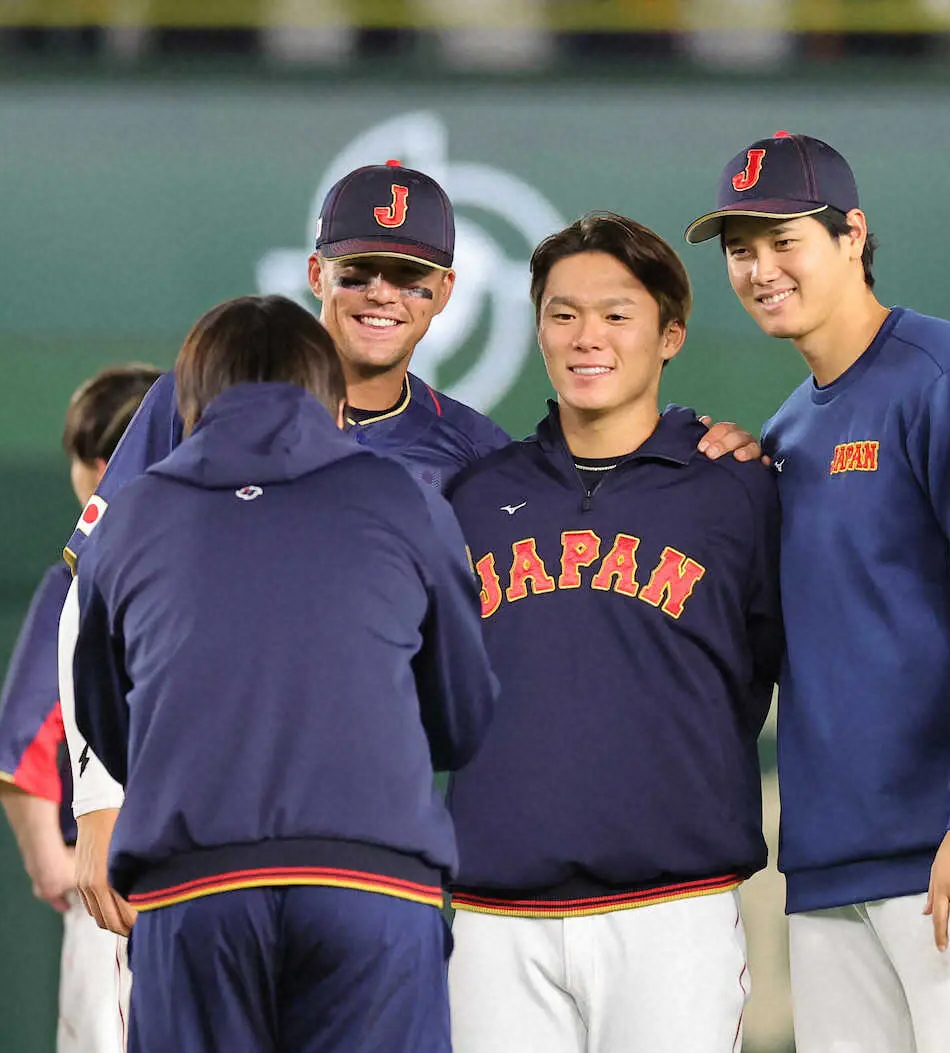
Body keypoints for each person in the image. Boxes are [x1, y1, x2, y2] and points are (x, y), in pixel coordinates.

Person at [60, 161, 764, 938]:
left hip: (359, 836)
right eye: (360, 271)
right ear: (316, 272)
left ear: (446, 293)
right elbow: (89, 595)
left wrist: (713, 447)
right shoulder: (201, 400)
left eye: (411, 276)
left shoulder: (471, 456)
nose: (383, 295)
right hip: (190, 811)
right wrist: (98, 799)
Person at [684, 131, 950, 1053]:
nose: (757, 269)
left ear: (852, 235)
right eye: (741, 250)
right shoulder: (790, 429)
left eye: (784, 239)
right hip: (835, 864)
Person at [72, 294, 497, 1053]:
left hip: (193, 887)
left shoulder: (131, 516)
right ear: (334, 403)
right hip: (373, 885)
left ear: (189, 404)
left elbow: (111, 726)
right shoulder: (405, 497)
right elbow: (462, 716)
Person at [444, 213, 783, 1053]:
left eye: (616, 315)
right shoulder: (475, 498)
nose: (586, 336)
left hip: (671, 910)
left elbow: (767, 668)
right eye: (563, 315)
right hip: (495, 916)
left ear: (670, 335)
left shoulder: (736, 490)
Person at [0, 364, 161, 1053]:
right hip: (211, 883)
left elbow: (22, 753)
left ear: (103, 464)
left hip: (118, 894)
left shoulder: (80, 576)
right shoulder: (229, 559)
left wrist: (55, 863)